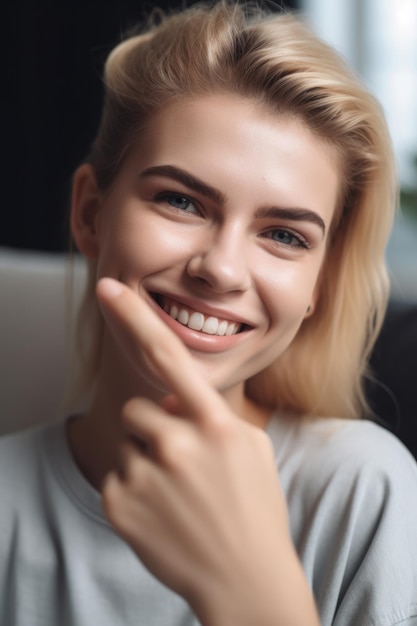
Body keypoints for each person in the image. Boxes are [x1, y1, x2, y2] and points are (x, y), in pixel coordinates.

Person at [1, 2, 417, 624]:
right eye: (180, 201)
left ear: (318, 287)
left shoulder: (364, 490)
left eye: (284, 236)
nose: (220, 270)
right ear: (90, 212)